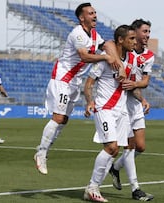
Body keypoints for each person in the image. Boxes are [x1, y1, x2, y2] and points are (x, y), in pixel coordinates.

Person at [33, 2, 124, 175]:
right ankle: (41, 153)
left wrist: (117, 62)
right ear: (82, 18)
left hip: (74, 81)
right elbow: (84, 56)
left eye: (95, 12)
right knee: (58, 118)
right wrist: (105, 57)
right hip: (63, 78)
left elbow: (108, 44)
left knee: (64, 120)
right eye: (91, 13)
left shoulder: (94, 34)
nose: (95, 15)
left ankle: (44, 148)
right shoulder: (78, 33)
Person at [83, 24, 137, 203]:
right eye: (131, 38)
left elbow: (130, 85)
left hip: (121, 111)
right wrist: (90, 101)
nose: (134, 42)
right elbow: (89, 84)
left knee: (114, 152)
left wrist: (141, 97)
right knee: (111, 147)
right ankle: (92, 187)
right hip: (104, 108)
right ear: (120, 40)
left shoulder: (132, 60)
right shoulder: (104, 61)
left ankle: (94, 187)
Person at [109, 19, 154, 201]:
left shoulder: (148, 56)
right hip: (122, 104)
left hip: (135, 102)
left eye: (149, 32)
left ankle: (115, 167)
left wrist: (140, 95)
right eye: (144, 31)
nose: (147, 35)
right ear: (134, 33)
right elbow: (108, 46)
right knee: (129, 146)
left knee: (140, 147)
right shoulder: (122, 50)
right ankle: (136, 189)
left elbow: (144, 82)